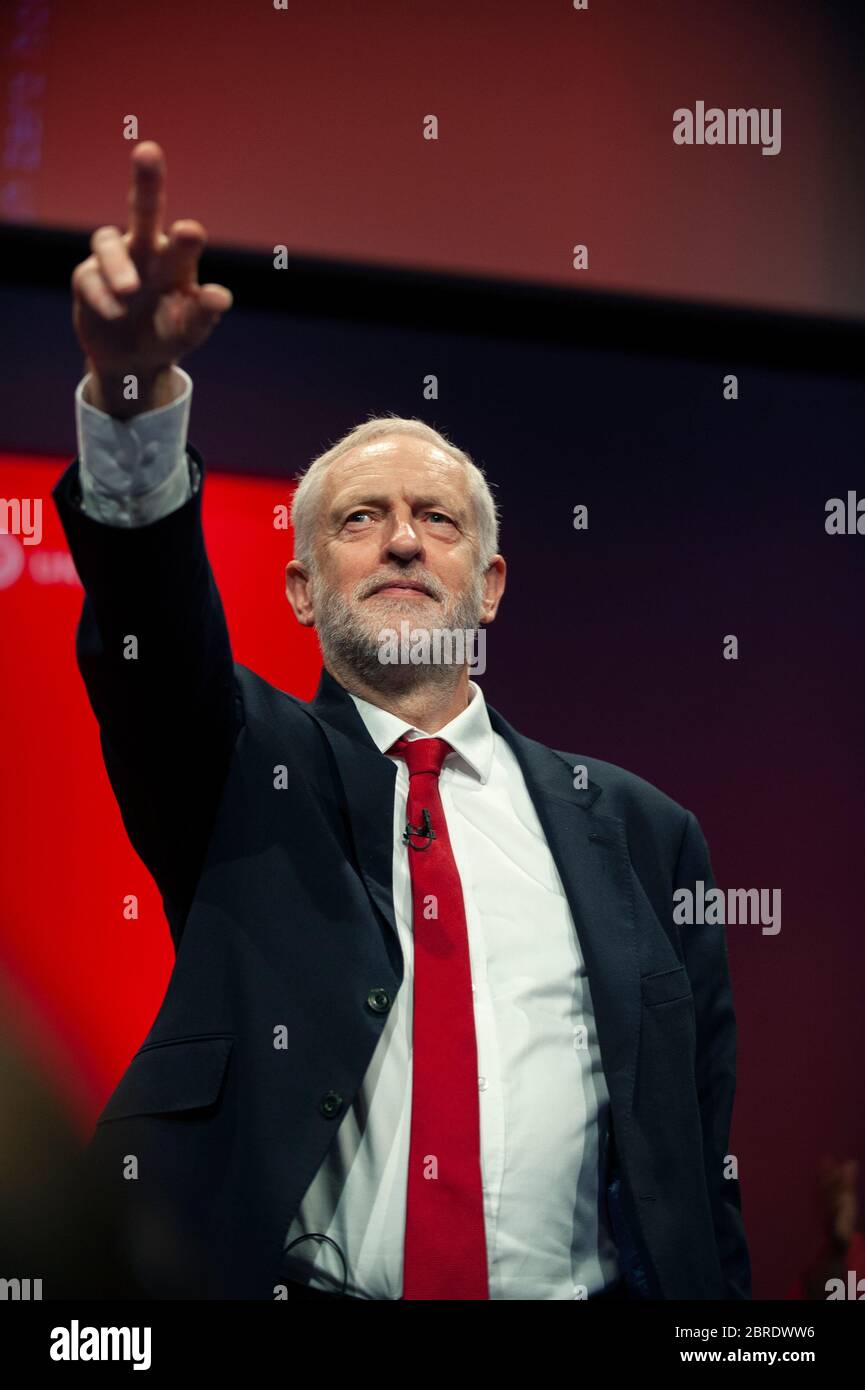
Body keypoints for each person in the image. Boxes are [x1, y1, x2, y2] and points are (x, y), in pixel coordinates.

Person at [51, 141, 751, 1301]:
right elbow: (150, 616)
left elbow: (695, 1167)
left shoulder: (646, 832)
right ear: (298, 591)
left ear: (489, 585)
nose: (404, 538)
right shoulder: (238, 766)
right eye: (360, 518)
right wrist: (131, 395)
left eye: (436, 518)